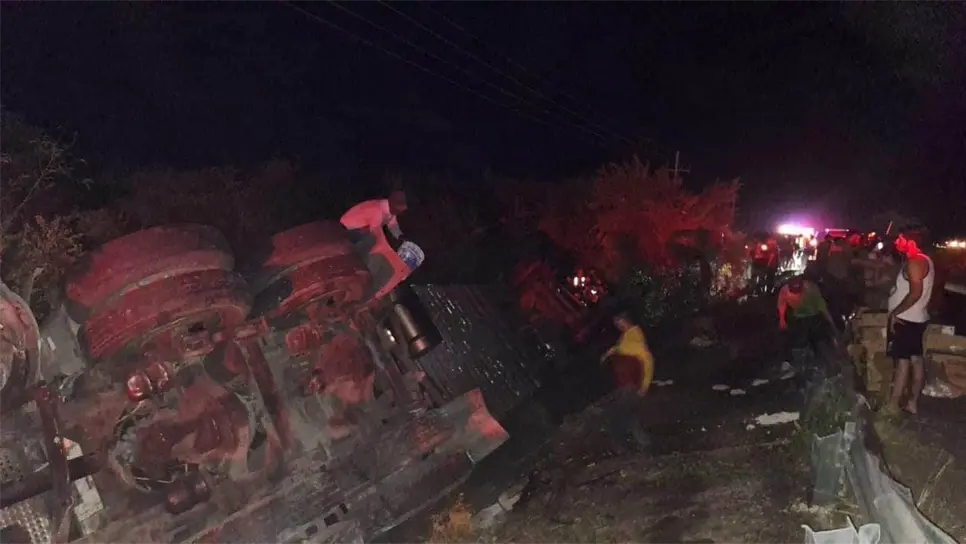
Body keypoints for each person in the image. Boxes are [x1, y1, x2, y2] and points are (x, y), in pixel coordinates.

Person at [885, 227, 935, 416]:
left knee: (903, 363)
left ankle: (892, 405)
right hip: (917, 318)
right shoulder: (925, 260)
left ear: (910, 242)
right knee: (916, 360)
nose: (897, 242)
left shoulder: (915, 262)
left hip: (906, 320)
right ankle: (913, 403)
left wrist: (895, 313)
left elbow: (916, 293)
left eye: (900, 239)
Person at [599, 312, 654, 452]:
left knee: (614, 415)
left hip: (630, 384)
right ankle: (643, 442)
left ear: (626, 321)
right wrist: (609, 353)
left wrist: (644, 386)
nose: (617, 326)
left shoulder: (634, 336)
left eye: (619, 322)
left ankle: (622, 446)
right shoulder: (627, 336)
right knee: (628, 414)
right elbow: (620, 348)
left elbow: (647, 360)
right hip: (624, 383)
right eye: (616, 323)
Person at [778, 276, 838, 365]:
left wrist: (830, 322)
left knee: (819, 342)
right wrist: (782, 319)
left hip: (814, 317)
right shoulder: (785, 291)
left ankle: (825, 363)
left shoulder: (811, 289)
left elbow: (822, 307)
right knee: (799, 343)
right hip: (798, 318)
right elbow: (782, 304)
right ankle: (801, 364)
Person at [339, 191, 408, 253]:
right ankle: (354, 250)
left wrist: (400, 237)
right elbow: (376, 232)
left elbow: (393, 225)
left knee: (373, 234)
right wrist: (387, 250)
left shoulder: (391, 210)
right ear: (393, 205)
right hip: (347, 227)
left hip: (359, 227)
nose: (401, 211)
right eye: (399, 208)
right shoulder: (378, 210)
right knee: (373, 238)